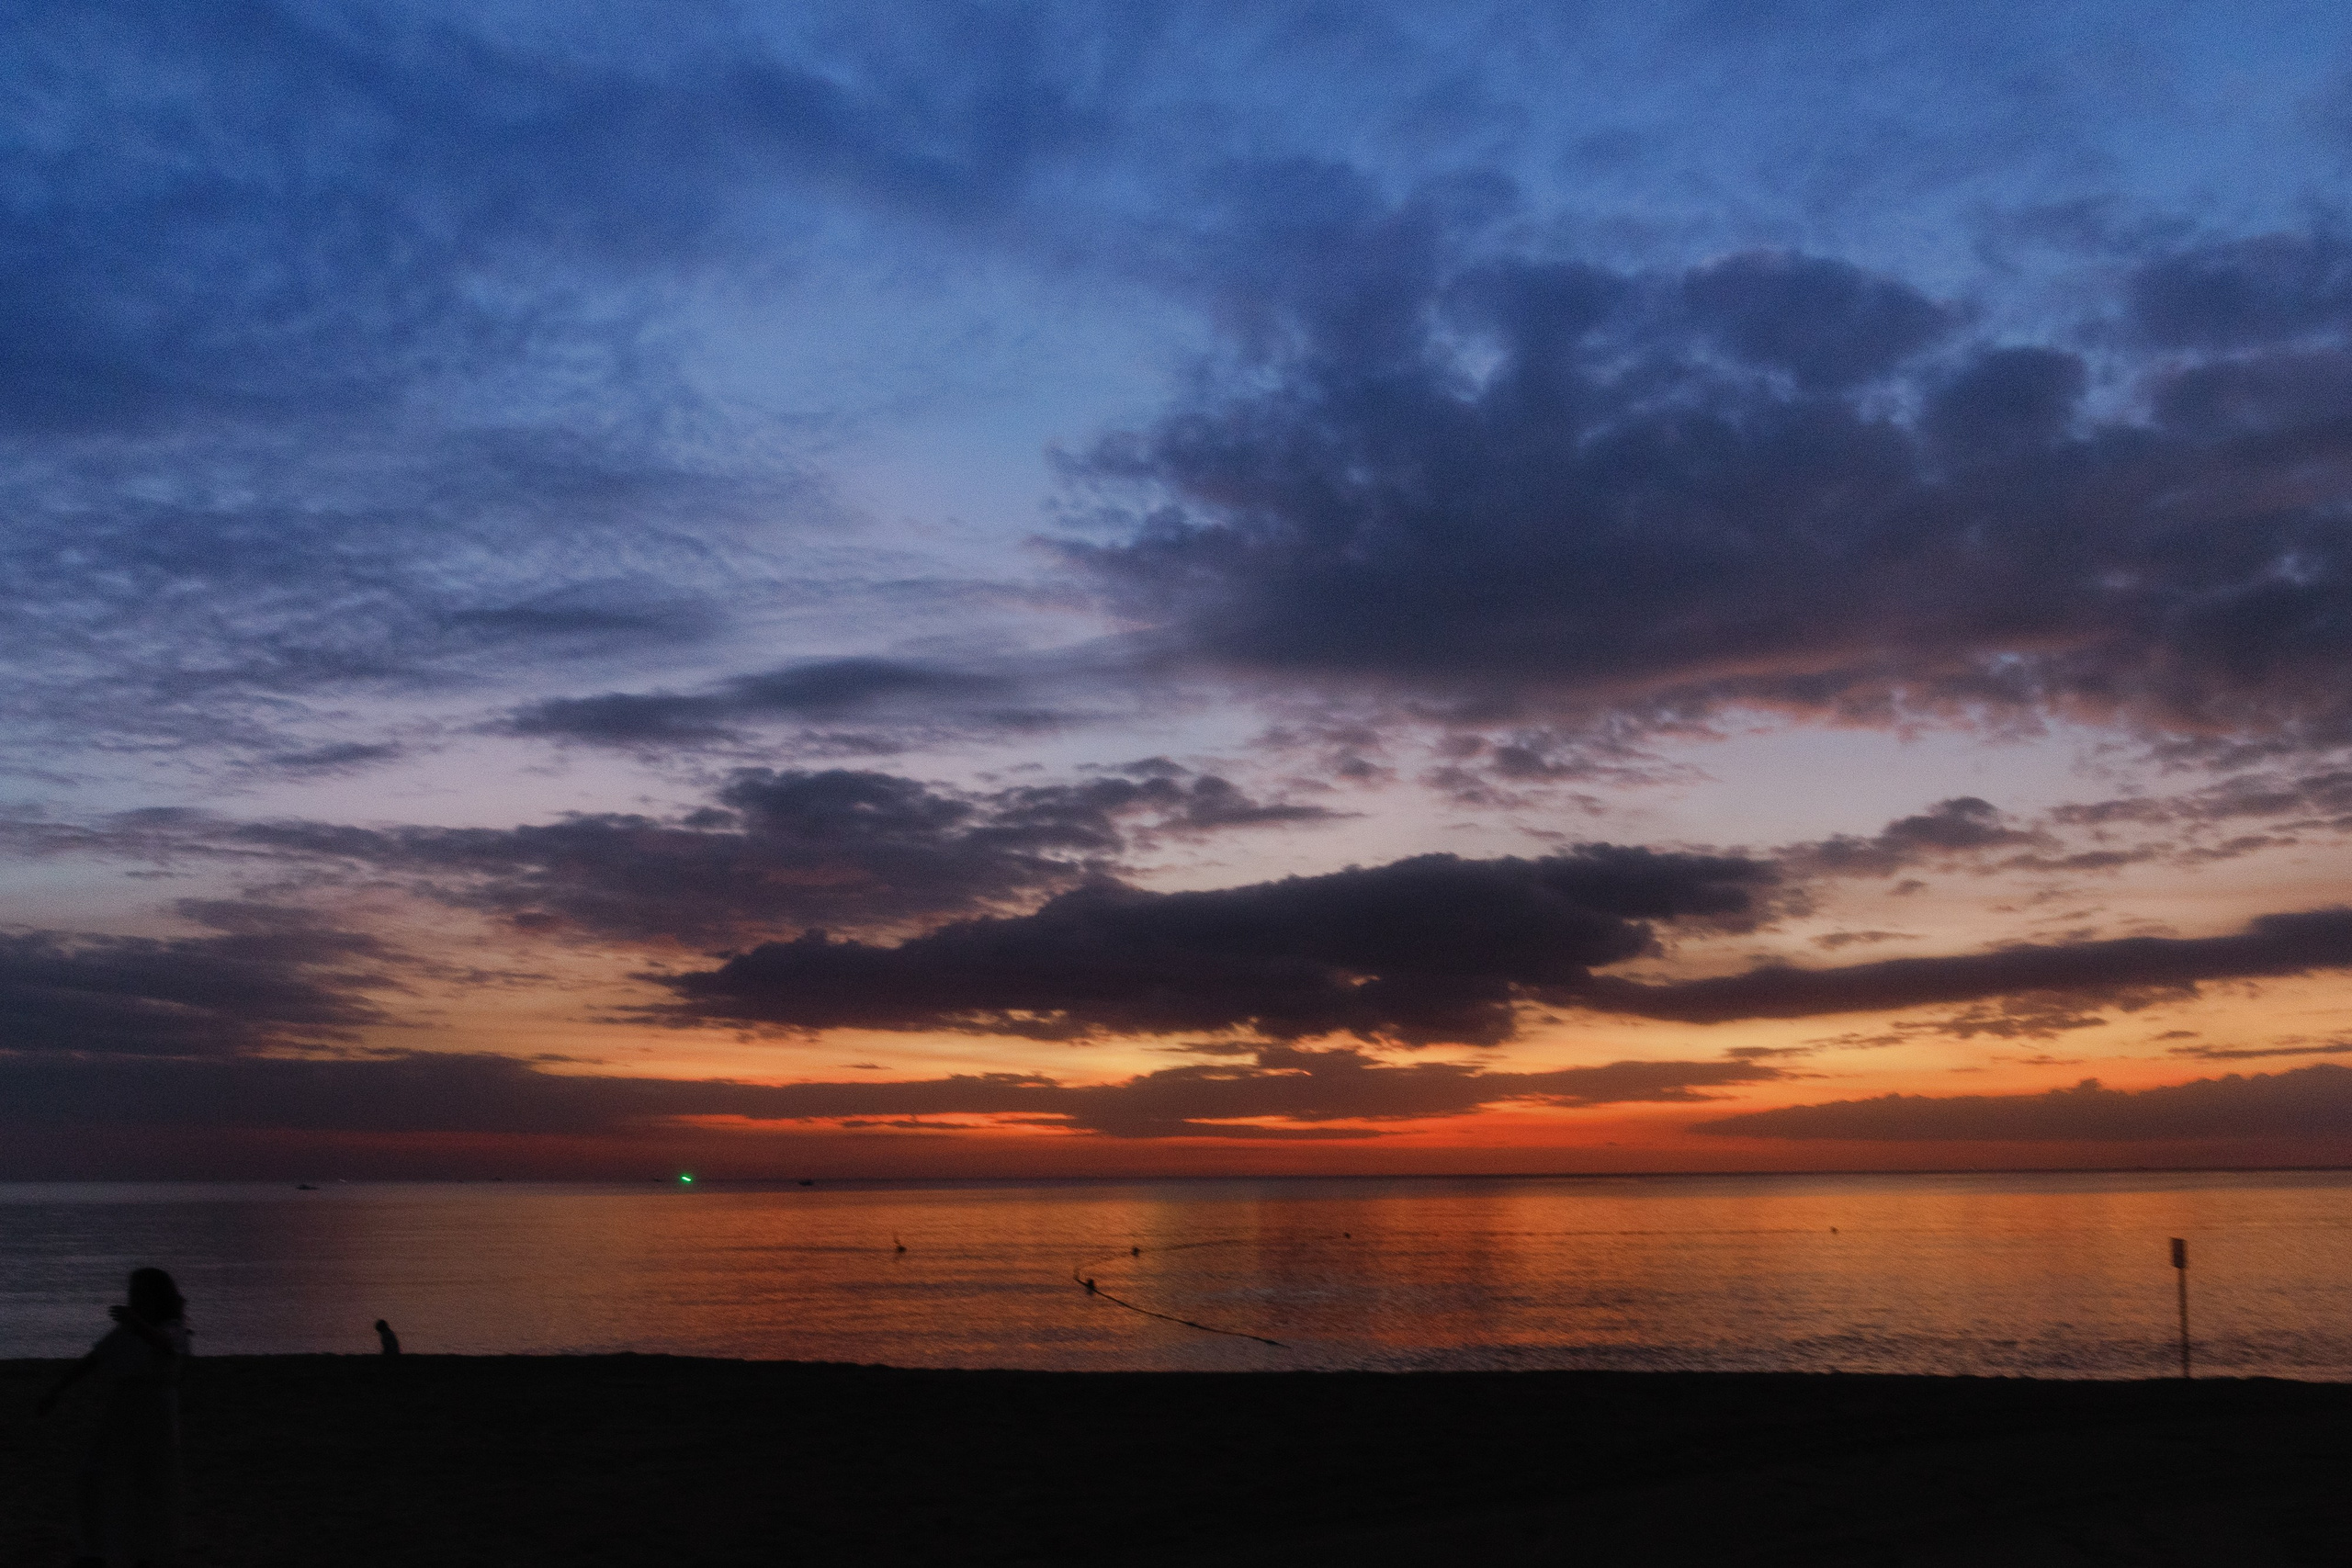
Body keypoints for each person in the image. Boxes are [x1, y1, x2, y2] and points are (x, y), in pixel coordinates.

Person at [36, 1267, 190, 1568]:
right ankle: (93, 1551)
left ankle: (146, 1555)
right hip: (124, 1412)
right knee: (93, 1477)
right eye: (134, 1293)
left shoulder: (173, 1327)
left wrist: (135, 1323)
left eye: (143, 1293)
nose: (136, 1298)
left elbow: (166, 1344)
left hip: (156, 1413)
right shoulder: (129, 1331)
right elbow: (95, 1359)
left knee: (150, 1487)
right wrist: (56, 1390)